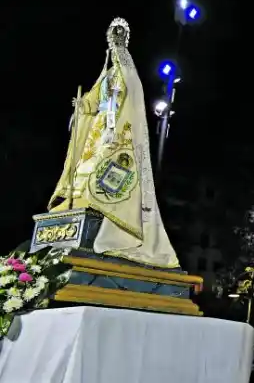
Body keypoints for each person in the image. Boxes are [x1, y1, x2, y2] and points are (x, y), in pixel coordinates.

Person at [47, 18, 179, 268]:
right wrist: (83, 106)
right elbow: (94, 100)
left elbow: (132, 102)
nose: (115, 51)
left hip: (115, 130)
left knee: (101, 170)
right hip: (99, 130)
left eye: (118, 45)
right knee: (83, 169)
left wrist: (115, 121)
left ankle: (103, 212)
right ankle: (77, 204)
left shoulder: (128, 74)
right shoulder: (106, 75)